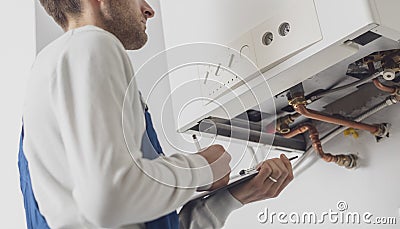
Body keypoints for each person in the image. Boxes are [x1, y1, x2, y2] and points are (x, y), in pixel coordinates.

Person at [18, 0, 294, 228]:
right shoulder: (91, 45)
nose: (149, 9)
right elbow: (111, 199)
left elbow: (123, 212)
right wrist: (202, 168)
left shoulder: (49, 87)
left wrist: (230, 198)